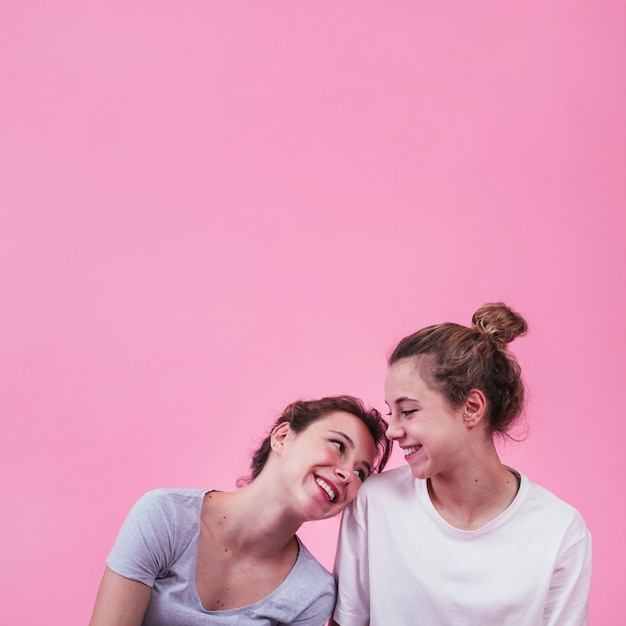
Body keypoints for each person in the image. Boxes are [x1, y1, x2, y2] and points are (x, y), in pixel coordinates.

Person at [332, 303, 592, 626]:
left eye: (408, 411)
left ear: (471, 407)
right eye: (390, 413)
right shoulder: (375, 503)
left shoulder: (560, 531)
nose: (392, 430)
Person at [89, 395, 391, 626]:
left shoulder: (312, 594)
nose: (347, 475)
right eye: (338, 446)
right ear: (282, 437)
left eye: (361, 473)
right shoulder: (165, 517)